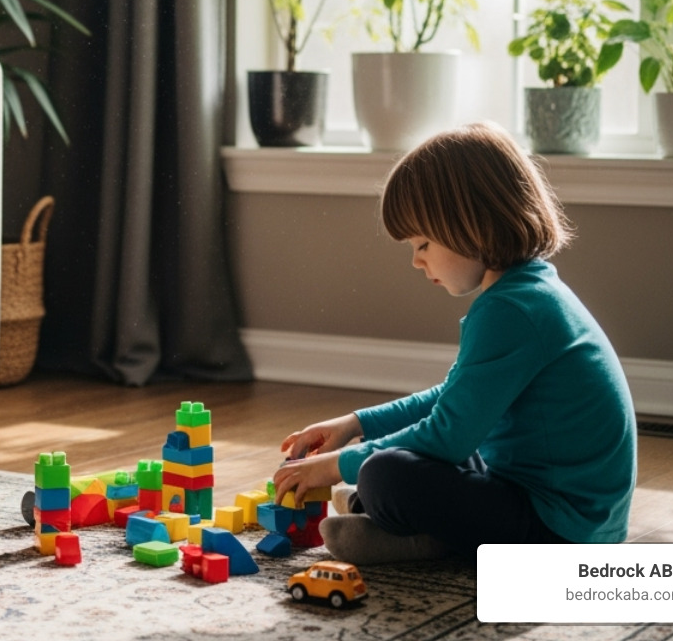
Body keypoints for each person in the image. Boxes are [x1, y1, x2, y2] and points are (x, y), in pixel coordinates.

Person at [271, 123, 636, 564]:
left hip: (561, 532)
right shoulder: (528, 290)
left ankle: (425, 540)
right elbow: (453, 400)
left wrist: (333, 466)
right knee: (390, 466)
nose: (416, 260)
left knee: (385, 474)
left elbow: (446, 437)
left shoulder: (511, 311)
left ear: (472, 224)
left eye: (422, 243)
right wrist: (355, 424)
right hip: (561, 506)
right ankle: (401, 518)